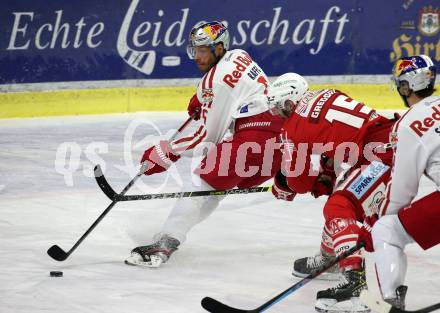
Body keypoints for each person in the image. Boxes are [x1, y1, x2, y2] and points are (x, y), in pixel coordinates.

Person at [125, 21, 284, 267]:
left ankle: (164, 245)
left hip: (253, 140)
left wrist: (165, 152)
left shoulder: (215, 82)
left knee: (199, 186)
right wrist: (202, 98)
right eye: (195, 50)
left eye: (203, 50)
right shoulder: (239, 55)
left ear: (219, 49)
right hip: (278, 145)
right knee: (211, 192)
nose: (197, 56)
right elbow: (233, 87)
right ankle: (171, 237)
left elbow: (205, 137)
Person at [264, 73, 396, 313]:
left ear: (289, 102)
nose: (276, 114)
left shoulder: (292, 125)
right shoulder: (328, 93)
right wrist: (327, 172)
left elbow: (300, 182)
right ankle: (330, 258)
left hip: (378, 159)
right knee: (342, 198)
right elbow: (342, 137)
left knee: (338, 207)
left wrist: (283, 185)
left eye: (277, 108)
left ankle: (353, 286)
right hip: (389, 141)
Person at [366, 55, 438, 310]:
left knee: (386, 230)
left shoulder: (409, 124)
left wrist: (376, 225)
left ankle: (393, 302)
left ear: (406, 87)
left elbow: (402, 190)